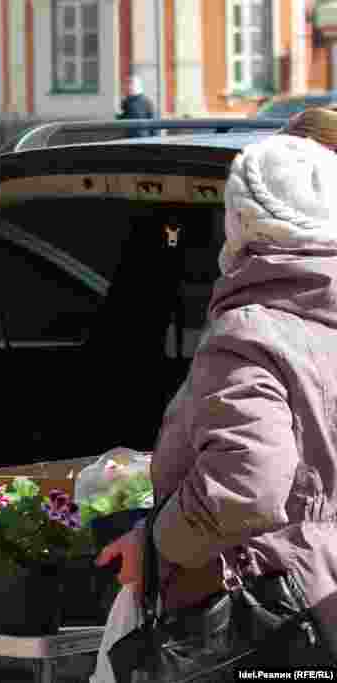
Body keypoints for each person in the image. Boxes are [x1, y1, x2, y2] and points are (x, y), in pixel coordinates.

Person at [96, 133, 337, 669]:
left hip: (269, 615)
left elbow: (246, 488)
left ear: (242, 220)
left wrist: (158, 544)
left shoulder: (252, 334)